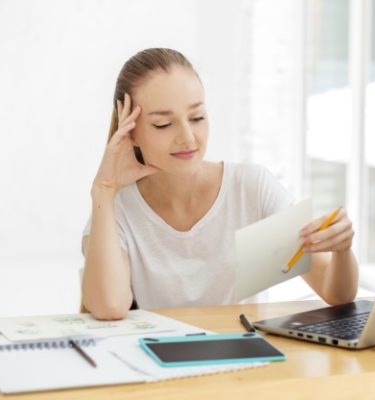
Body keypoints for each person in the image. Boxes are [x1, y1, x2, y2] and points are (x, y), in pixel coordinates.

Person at [81, 48, 358, 320]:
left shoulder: (252, 189)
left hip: (247, 348)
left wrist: (343, 251)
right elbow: (109, 306)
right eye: (163, 124)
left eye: (197, 118)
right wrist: (103, 189)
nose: (188, 137)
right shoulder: (115, 208)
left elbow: (336, 293)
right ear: (130, 132)